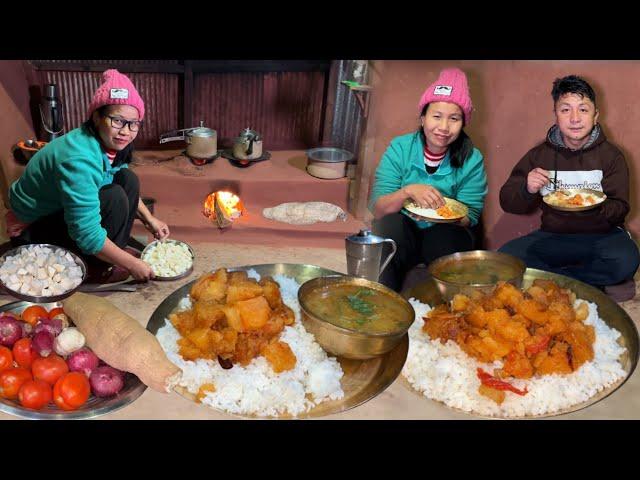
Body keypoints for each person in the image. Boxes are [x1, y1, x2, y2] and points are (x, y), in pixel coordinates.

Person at [6, 69, 170, 281]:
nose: (125, 131)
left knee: (127, 179)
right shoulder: (79, 158)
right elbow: (86, 234)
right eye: (117, 121)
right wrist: (132, 264)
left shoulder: (104, 143)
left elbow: (117, 171)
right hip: (33, 229)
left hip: (57, 209)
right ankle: (94, 267)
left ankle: (111, 254)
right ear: (97, 117)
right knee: (114, 197)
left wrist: (150, 219)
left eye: (133, 123)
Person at [498, 74, 639, 301]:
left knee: (626, 259)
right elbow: (508, 201)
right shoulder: (539, 155)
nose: (575, 118)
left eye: (583, 110)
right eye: (565, 110)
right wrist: (527, 188)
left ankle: (556, 282)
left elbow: (621, 207)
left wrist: (593, 206)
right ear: (556, 116)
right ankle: (588, 284)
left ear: (595, 116)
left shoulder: (612, 156)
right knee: (507, 257)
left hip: (601, 237)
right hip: (554, 236)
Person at [369, 68, 488, 291]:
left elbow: (470, 215)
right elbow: (379, 208)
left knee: (445, 238)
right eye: (436, 116)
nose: (443, 127)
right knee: (389, 226)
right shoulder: (400, 148)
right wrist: (407, 191)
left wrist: (444, 213)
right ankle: (383, 301)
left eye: (454, 118)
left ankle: (445, 312)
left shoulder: (472, 158)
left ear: (463, 123)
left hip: (446, 233)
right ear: (423, 118)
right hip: (405, 231)